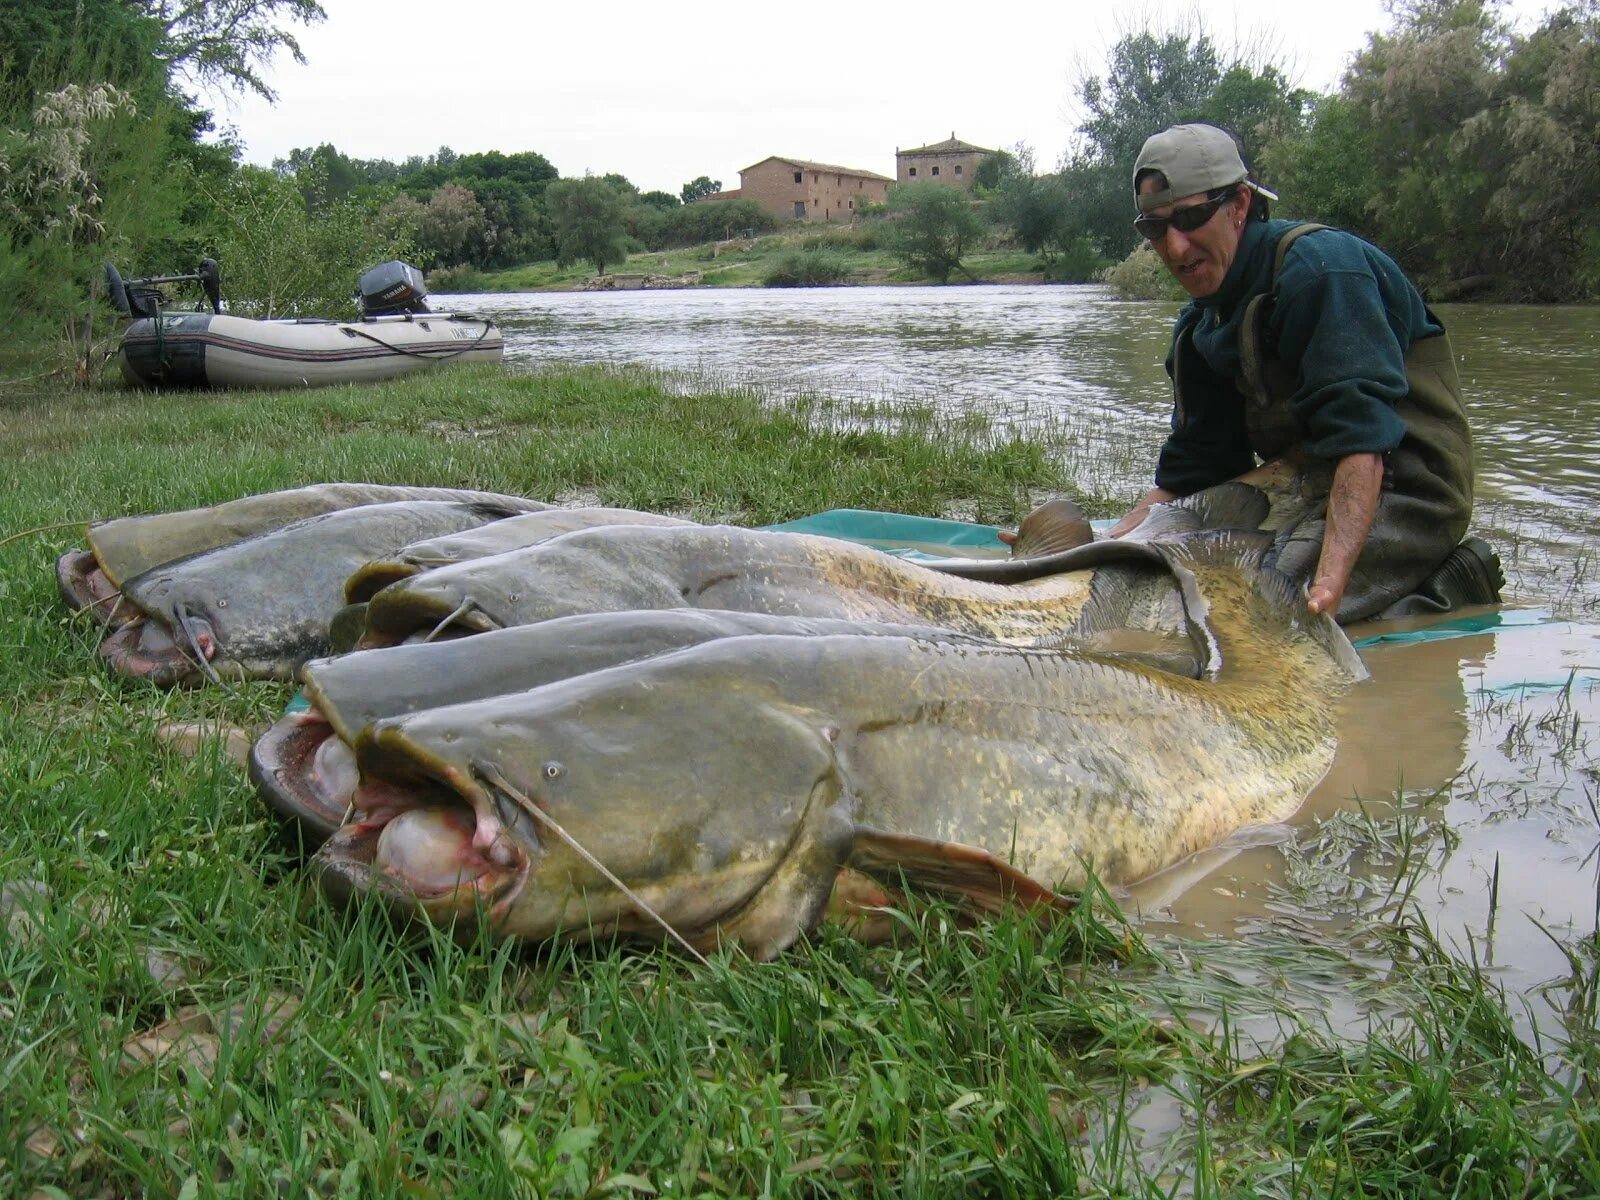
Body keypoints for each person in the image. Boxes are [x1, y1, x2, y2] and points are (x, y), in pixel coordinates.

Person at [1100, 121, 1496, 623]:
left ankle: (1449, 586)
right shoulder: (1198, 327)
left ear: (1239, 205)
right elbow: (1194, 473)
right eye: (1156, 228)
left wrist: (1327, 586)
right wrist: (1106, 543)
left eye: (1191, 218)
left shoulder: (1321, 273)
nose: (1175, 247)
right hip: (1306, 478)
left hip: (1407, 481)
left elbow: (1361, 443)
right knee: (1160, 578)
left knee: (1257, 609)